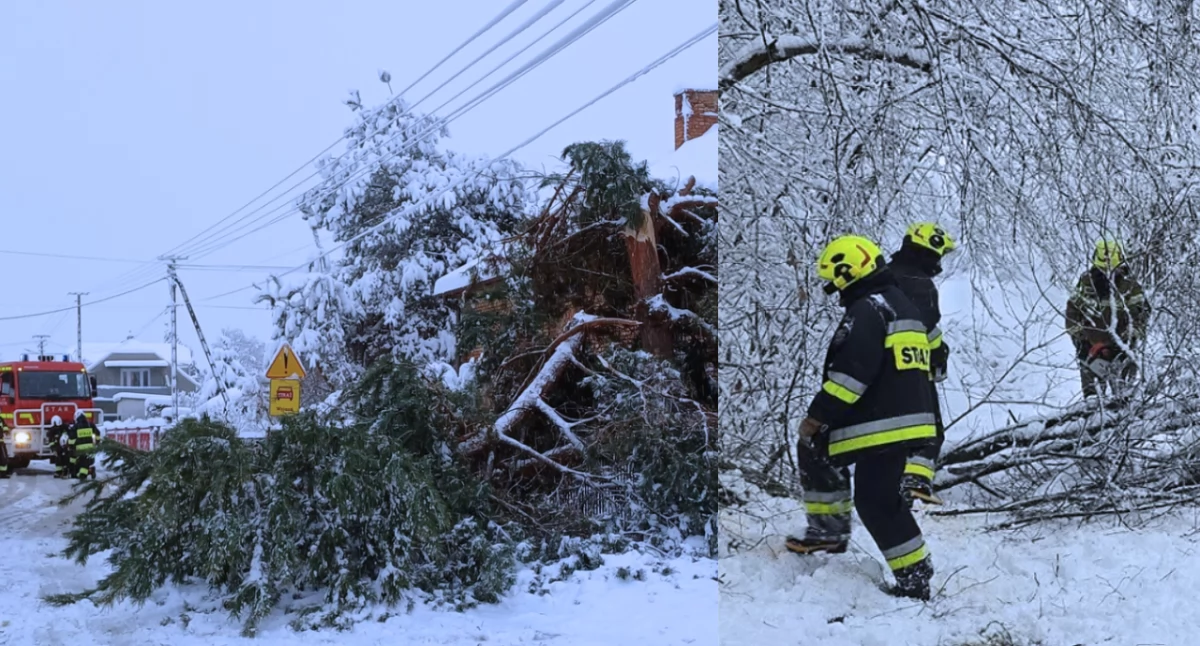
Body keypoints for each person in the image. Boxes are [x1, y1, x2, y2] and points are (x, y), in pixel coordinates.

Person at [785, 234, 938, 601]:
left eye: (834, 281)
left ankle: (830, 533)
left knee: (817, 448)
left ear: (846, 272)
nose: (834, 289)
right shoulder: (900, 303)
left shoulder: (868, 309)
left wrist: (818, 417)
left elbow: (851, 375)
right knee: (881, 499)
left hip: (878, 423)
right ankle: (914, 570)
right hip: (907, 420)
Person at [887, 223, 957, 507]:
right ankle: (916, 481)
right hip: (910, 366)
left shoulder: (884, 275)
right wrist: (939, 351)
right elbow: (922, 326)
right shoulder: (921, 284)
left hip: (877, 368)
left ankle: (891, 481)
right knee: (929, 429)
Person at [1065, 239, 1150, 400]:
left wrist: (1126, 341)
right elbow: (1072, 314)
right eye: (1102, 268)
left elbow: (1142, 314)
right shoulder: (1086, 283)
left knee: (1124, 397)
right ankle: (1091, 420)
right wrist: (1082, 343)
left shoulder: (1129, 286)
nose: (1107, 273)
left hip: (1122, 350)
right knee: (1092, 399)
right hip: (1090, 351)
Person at [66, 411, 98, 480]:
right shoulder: (91, 425)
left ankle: (82, 473)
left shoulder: (75, 427)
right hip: (90, 451)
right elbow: (97, 435)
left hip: (79, 451)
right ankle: (90, 470)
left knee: (79, 466)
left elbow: (71, 440)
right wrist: (96, 443)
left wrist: (71, 447)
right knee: (85, 463)